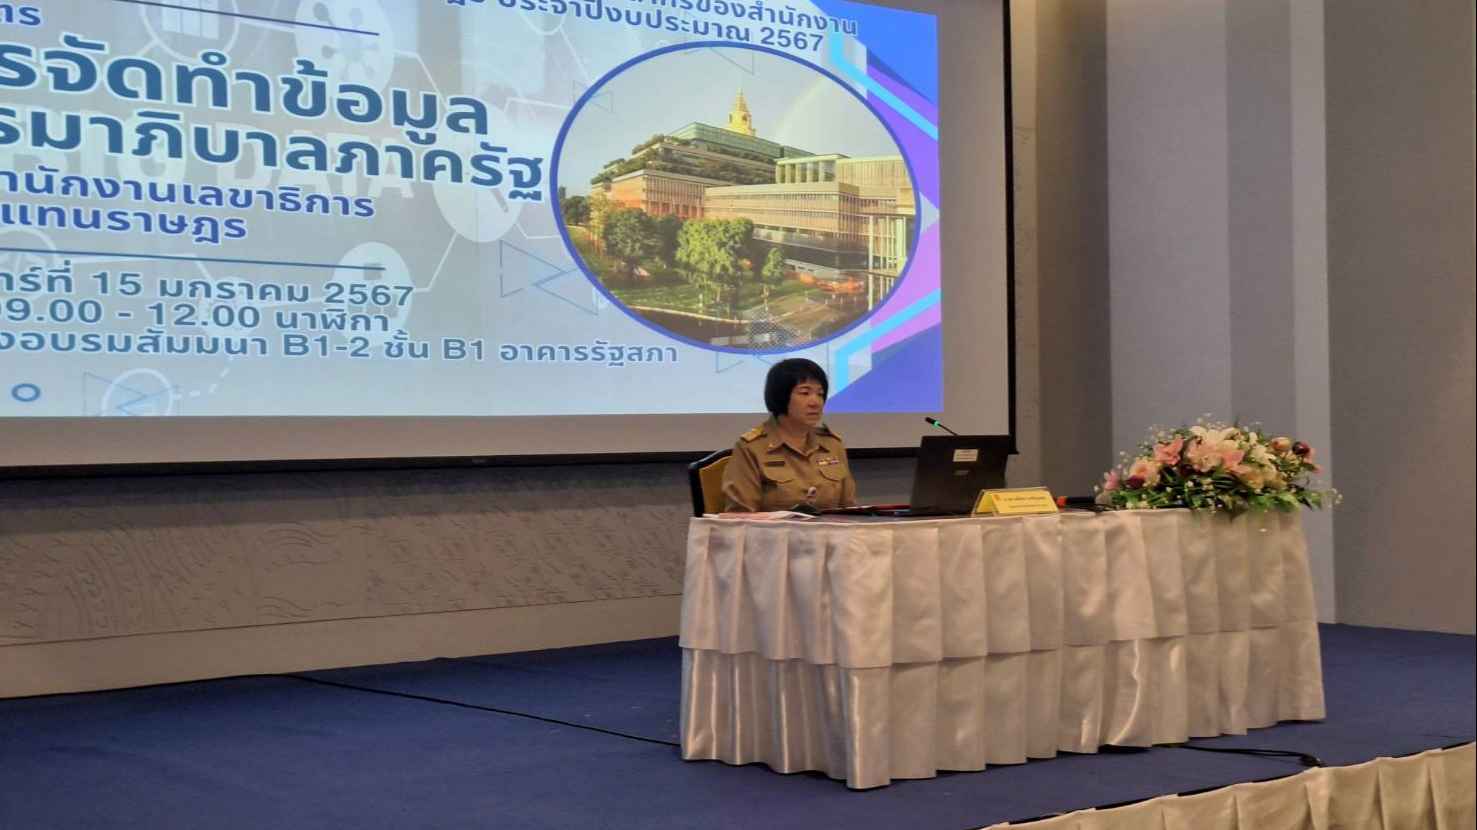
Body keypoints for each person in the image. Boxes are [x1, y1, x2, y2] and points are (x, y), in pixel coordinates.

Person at [721, 358, 857, 512]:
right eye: (805, 393)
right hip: (774, 529)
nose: (816, 402)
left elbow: (849, 510)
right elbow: (740, 516)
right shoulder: (752, 447)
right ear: (781, 396)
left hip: (830, 528)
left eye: (820, 394)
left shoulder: (833, 444)